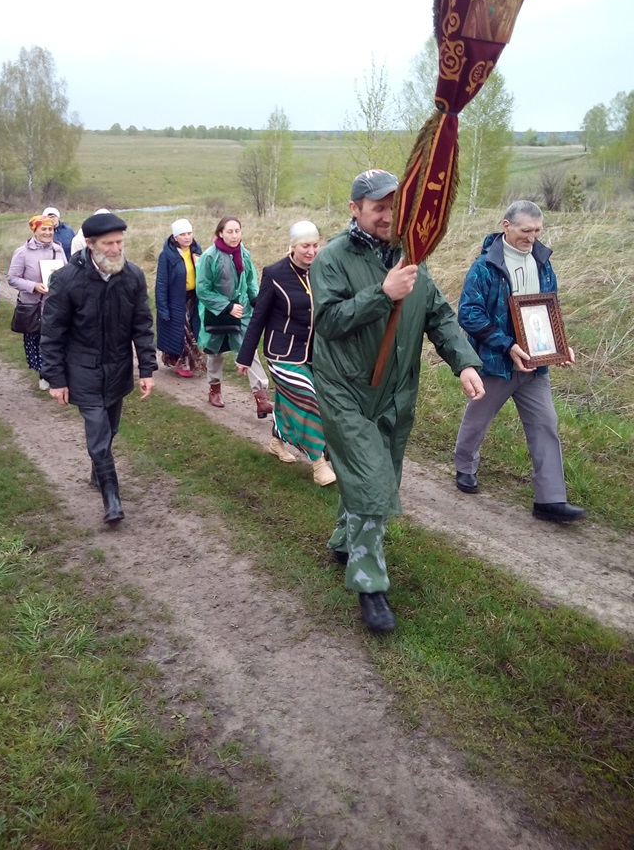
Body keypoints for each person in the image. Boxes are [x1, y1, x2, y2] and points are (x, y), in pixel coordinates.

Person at [309, 170, 484, 634]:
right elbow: (328, 322)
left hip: (396, 391)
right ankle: (370, 585)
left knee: (379, 472)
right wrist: (381, 295)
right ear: (355, 209)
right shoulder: (331, 258)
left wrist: (464, 362)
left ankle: (344, 542)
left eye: (394, 205)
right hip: (345, 388)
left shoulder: (413, 256)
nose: (388, 214)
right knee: (373, 481)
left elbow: (438, 314)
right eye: (377, 206)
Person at [453, 200, 586, 525]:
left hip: (536, 368)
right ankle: (464, 468)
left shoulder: (542, 262)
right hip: (495, 364)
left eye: (538, 231)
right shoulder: (484, 267)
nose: (533, 237)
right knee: (477, 421)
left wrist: (560, 346)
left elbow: (549, 309)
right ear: (506, 226)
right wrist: (507, 345)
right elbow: (469, 314)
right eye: (527, 231)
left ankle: (550, 500)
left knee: (546, 424)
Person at [40, 212, 157, 526]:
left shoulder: (132, 276)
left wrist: (146, 369)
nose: (117, 248)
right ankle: (112, 498)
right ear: (91, 245)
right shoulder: (66, 280)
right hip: (83, 369)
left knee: (111, 429)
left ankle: (97, 470)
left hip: (118, 369)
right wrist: (55, 379)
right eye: (109, 243)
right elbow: (52, 333)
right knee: (98, 432)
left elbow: (142, 327)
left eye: (120, 242)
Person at [236, 220, 336, 486]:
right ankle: (318, 464)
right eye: (305, 246)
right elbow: (258, 317)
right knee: (308, 399)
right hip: (281, 354)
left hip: (313, 354)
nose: (311, 251)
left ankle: (276, 441)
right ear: (292, 246)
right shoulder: (275, 273)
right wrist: (245, 356)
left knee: (290, 401)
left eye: (315, 245)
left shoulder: (322, 271)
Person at [195, 215, 273, 418]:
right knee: (215, 352)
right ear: (220, 233)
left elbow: (250, 280)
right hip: (216, 313)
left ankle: (261, 398)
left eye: (237, 230)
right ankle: (214, 389)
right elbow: (202, 290)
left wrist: (257, 301)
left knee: (249, 350)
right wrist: (226, 306)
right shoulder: (209, 257)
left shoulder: (243, 253)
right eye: (229, 231)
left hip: (242, 312)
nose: (234, 235)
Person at [7, 215, 67, 389]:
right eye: (44, 229)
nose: (48, 232)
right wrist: (33, 286)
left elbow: (66, 272)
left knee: (56, 340)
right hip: (33, 307)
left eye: (50, 229)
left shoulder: (58, 249)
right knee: (37, 341)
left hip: (55, 305)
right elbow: (12, 278)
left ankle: (54, 373)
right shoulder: (23, 252)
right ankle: (43, 374)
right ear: (35, 230)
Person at [155, 218, 206, 378]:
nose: (187, 237)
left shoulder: (197, 252)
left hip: (194, 298)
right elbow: (161, 283)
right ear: (175, 237)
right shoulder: (167, 256)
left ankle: (187, 361)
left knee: (193, 329)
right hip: (175, 300)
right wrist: (163, 308)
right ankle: (185, 363)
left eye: (189, 233)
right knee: (183, 333)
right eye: (182, 234)